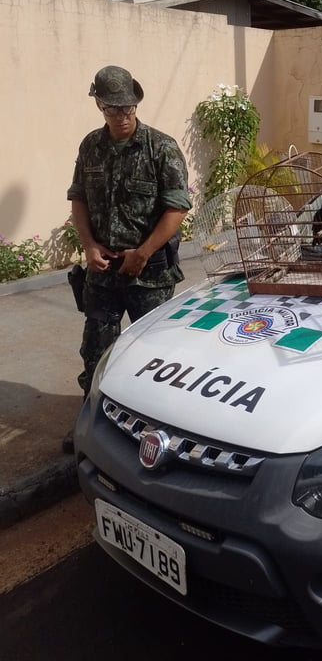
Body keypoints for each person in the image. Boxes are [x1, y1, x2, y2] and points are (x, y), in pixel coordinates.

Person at [64, 65, 192, 451]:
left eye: (129, 107)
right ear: (99, 105)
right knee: (96, 352)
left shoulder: (161, 147)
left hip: (149, 275)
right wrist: (88, 246)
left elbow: (177, 208)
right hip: (103, 273)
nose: (123, 115)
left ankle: (156, 434)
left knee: (154, 359)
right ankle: (91, 423)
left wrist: (144, 252)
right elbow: (79, 199)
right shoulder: (90, 146)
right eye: (114, 108)